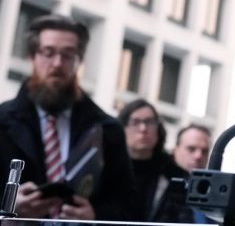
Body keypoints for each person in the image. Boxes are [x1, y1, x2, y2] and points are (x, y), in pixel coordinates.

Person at [0, 14, 138, 220]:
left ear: (79, 61)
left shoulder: (108, 129)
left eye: (68, 55)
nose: (57, 63)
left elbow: (129, 205)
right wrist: (8, 205)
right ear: (32, 57)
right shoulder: (2, 121)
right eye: (48, 53)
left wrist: (94, 216)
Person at [118, 99, 196, 223]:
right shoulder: (109, 168)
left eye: (149, 122)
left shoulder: (175, 176)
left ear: (158, 128)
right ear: (123, 128)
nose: (143, 128)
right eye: (135, 122)